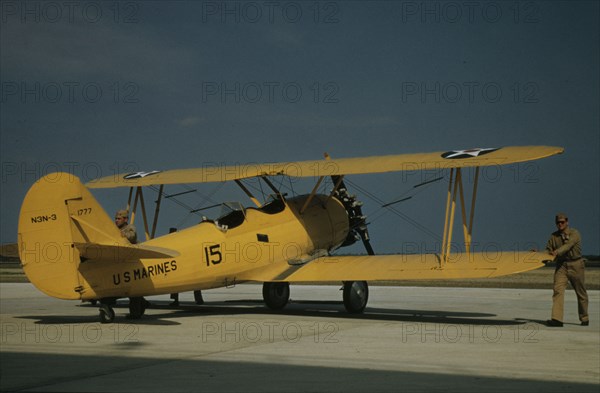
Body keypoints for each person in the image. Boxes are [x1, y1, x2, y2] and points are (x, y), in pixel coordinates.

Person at [545, 213, 589, 327]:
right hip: (562, 266)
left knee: (581, 292)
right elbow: (548, 251)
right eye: (558, 222)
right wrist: (537, 254)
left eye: (562, 222)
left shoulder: (575, 233)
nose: (560, 224)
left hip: (576, 264)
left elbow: (568, 246)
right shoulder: (553, 237)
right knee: (557, 290)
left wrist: (556, 252)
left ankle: (584, 317)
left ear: (567, 222)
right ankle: (557, 319)